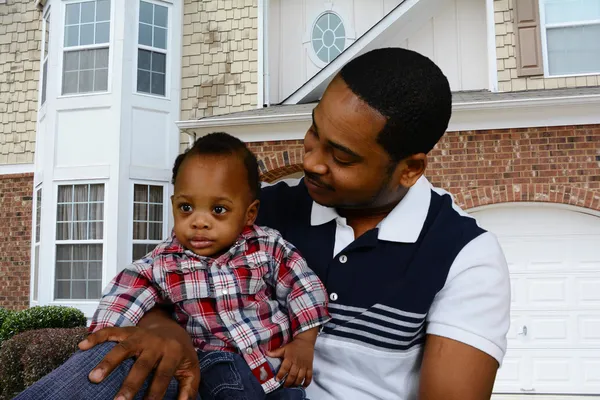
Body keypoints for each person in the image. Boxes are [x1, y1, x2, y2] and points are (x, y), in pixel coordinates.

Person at [17, 47, 510, 400]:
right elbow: (164, 275)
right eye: (315, 131)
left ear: (410, 168)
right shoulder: (257, 211)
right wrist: (164, 326)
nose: (312, 160)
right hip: (216, 376)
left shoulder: (464, 256)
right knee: (119, 361)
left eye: (340, 156)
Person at [15, 132, 331, 400]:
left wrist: (304, 341)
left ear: (249, 214)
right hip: (215, 370)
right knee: (221, 368)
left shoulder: (266, 245)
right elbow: (128, 290)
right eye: (186, 207)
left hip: (280, 370)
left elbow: (303, 286)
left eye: (218, 209)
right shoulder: (165, 262)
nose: (199, 221)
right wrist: (109, 331)